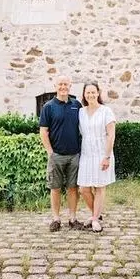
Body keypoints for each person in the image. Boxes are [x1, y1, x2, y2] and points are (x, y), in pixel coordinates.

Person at [39, 74, 82, 232]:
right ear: (55, 86)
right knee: (55, 188)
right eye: (60, 84)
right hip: (56, 155)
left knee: (73, 188)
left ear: (70, 86)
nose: (63, 87)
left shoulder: (76, 105)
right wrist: (50, 152)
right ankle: (56, 219)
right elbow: (43, 131)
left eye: (66, 84)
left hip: (74, 155)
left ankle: (72, 218)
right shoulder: (48, 107)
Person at [77, 82, 116, 233]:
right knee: (83, 188)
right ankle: (96, 215)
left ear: (98, 93)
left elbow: (111, 135)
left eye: (93, 92)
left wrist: (106, 156)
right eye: (88, 93)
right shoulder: (80, 112)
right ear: (84, 94)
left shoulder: (106, 111)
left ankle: (94, 218)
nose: (91, 95)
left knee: (99, 186)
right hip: (86, 154)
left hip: (102, 153)